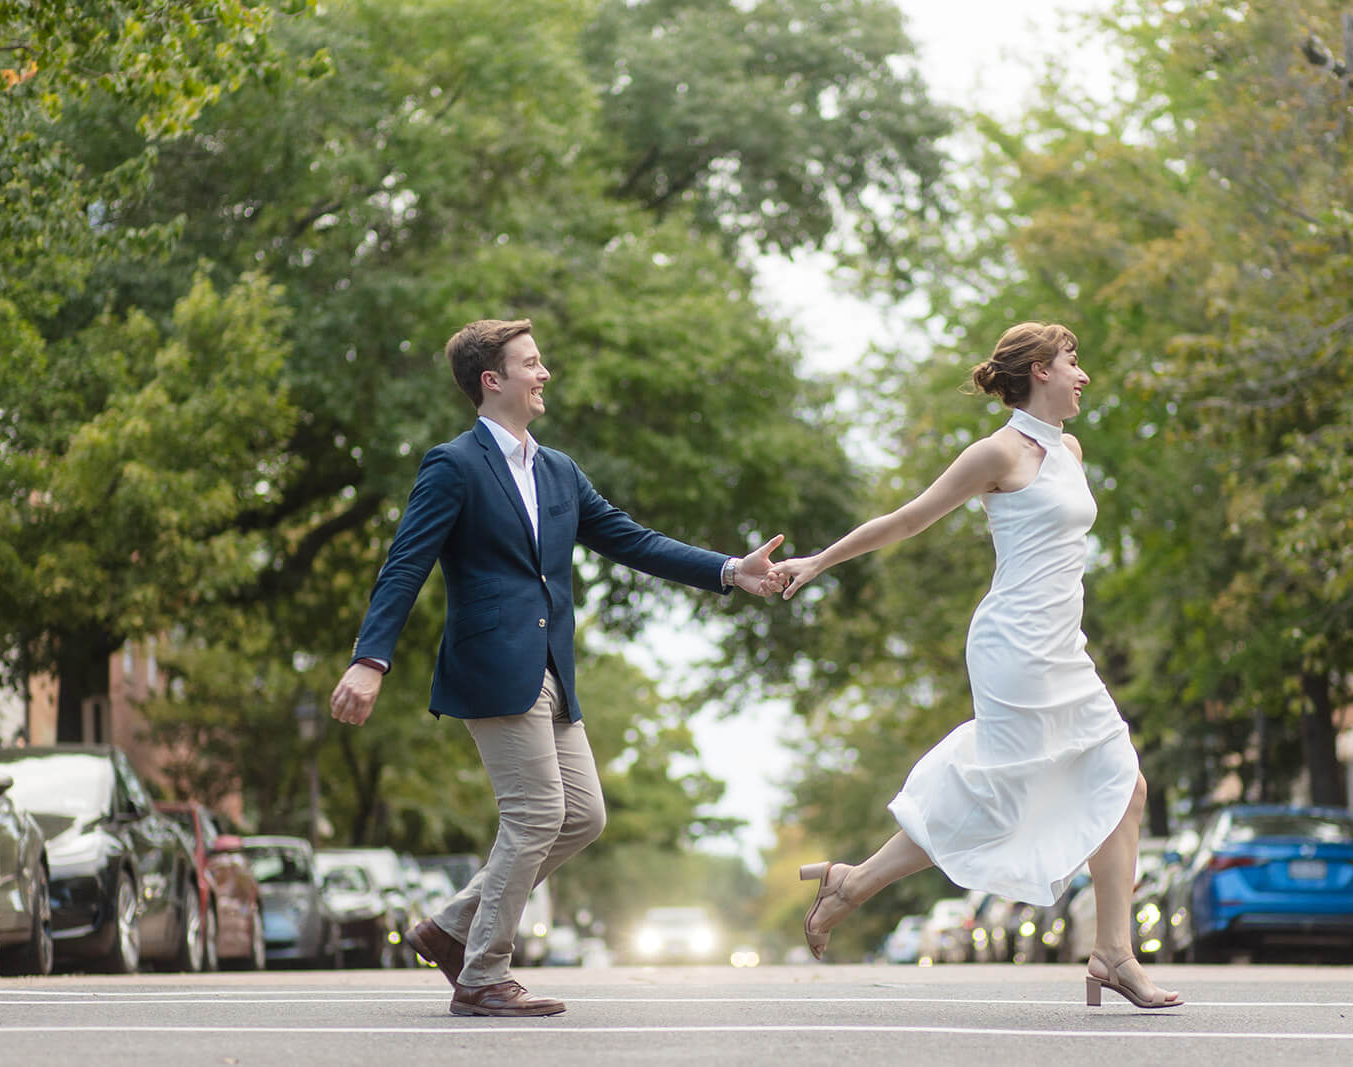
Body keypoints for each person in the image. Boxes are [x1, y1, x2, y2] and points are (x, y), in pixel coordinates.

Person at [329, 318, 784, 1018]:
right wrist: (369, 659)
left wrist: (729, 569)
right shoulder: (453, 466)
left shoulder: (559, 470)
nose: (544, 375)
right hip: (490, 666)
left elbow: (633, 540)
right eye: (531, 363)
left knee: (584, 815)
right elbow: (405, 564)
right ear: (493, 380)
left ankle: (450, 928)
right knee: (538, 811)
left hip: (551, 671)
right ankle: (483, 972)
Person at [773, 322, 1181, 1009]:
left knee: (1126, 786)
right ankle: (855, 882)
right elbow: (907, 519)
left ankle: (1113, 952)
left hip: (1065, 648)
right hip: (1014, 647)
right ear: (1039, 372)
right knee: (1000, 796)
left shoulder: (1071, 450)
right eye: (1072, 361)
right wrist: (817, 560)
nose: (1083, 375)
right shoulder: (996, 453)